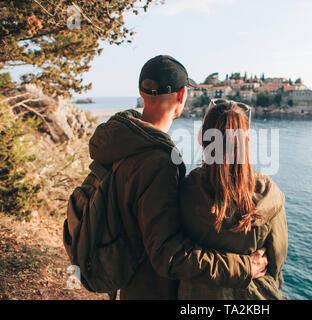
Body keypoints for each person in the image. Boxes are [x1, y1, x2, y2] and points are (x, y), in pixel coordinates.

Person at [88, 55, 268, 299]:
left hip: (128, 284)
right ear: (182, 96)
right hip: (152, 291)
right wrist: (245, 267)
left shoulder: (122, 139)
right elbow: (168, 256)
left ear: (142, 92)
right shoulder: (159, 163)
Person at [177, 99, 288, 300]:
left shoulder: (185, 192)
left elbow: (178, 255)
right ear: (246, 142)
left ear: (202, 139)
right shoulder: (269, 193)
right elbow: (277, 258)